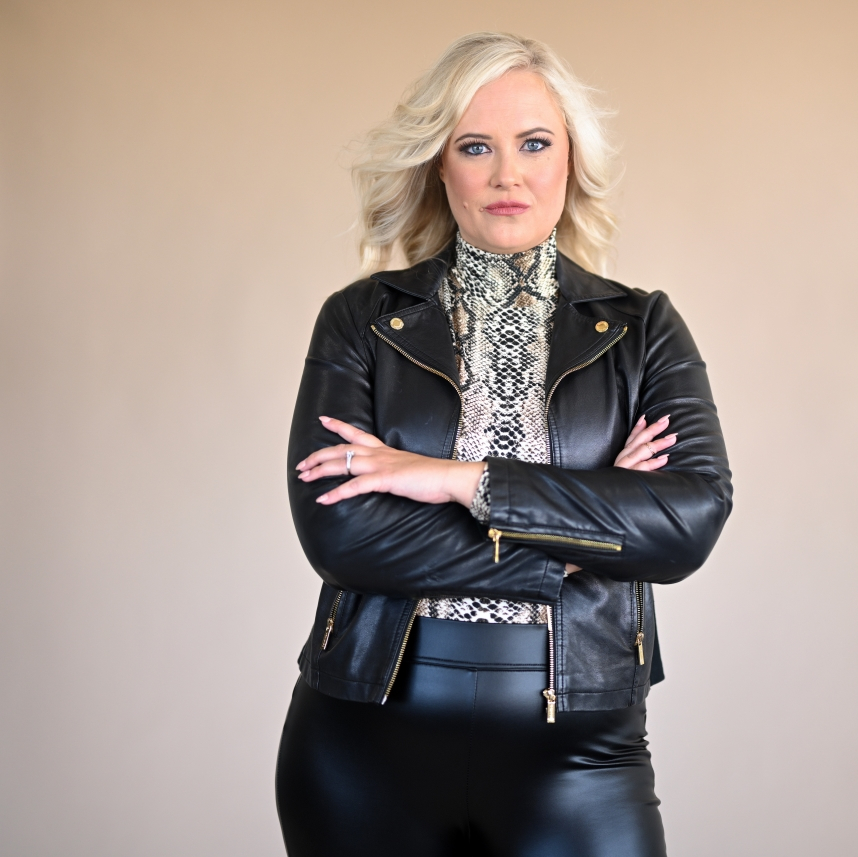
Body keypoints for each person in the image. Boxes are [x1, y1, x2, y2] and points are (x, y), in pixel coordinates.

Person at [275, 31, 732, 857]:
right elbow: (342, 534)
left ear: (570, 161)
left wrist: (456, 478)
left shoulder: (643, 328)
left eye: (533, 143)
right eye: (475, 146)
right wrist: (578, 539)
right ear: (439, 166)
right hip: (363, 739)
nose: (507, 174)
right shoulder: (360, 319)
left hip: (580, 748)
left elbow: (689, 518)